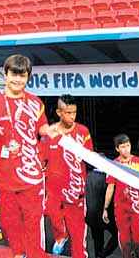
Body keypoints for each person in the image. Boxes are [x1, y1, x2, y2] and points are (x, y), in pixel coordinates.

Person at [0, 54, 50, 258]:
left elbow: (43, 128)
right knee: (9, 223)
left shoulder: (36, 102)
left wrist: (54, 132)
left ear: (28, 77)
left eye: (22, 75)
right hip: (5, 176)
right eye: (14, 74)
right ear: (5, 74)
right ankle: (18, 253)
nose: (18, 79)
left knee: (34, 223)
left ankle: (35, 255)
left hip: (31, 175)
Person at [42, 94, 93, 258]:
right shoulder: (49, 133)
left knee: (78, 237)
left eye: (74, 112)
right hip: (54, 190)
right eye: (68, 113)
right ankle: (61, 235)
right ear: (58, 112)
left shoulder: (83, 131)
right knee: (50, 212)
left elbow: (90, 157)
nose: (72, 116)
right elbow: (41, 159)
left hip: (75, 191)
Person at [103, 134, 139, 258]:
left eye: (128, 146)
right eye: (123, 147)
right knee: (124, 238)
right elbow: (110, 187)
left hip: (136, 205)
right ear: (117, 149)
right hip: (120, 207)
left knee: (138, 237)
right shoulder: (114, 165)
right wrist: (105, 208)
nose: (126, 149)